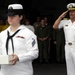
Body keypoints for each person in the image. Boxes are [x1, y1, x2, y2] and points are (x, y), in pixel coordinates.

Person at [0, 4, 38, 75]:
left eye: (13, 16)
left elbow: (34, 53)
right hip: (4, 72)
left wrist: (18, 57)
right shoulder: (2, 34)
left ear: (21, 17)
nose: (10, 18)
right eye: (9, 16)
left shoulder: (28, 33)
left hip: (22, 72)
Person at [53, 3, 75, 75]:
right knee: (69, 66)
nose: (71, 13)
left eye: (73, 11)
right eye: (69, 11)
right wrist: (60, 17)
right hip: (68, 46)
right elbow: (55, 27)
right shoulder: (65, 21)